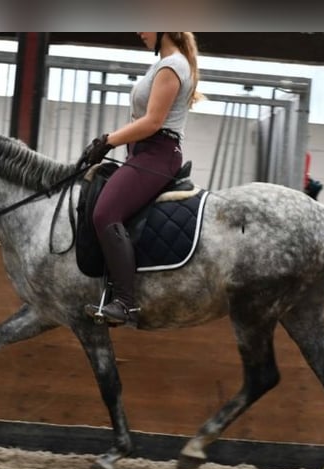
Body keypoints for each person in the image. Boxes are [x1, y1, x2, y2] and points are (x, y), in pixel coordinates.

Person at [77, 32, 202, 325]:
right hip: (142, 154)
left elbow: (153, 122)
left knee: (106, 213)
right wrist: (110, 143)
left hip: (157, 154)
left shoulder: (172, 66)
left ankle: (126, 303)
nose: (140, 32)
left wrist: (108, 140)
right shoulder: (163, 64)